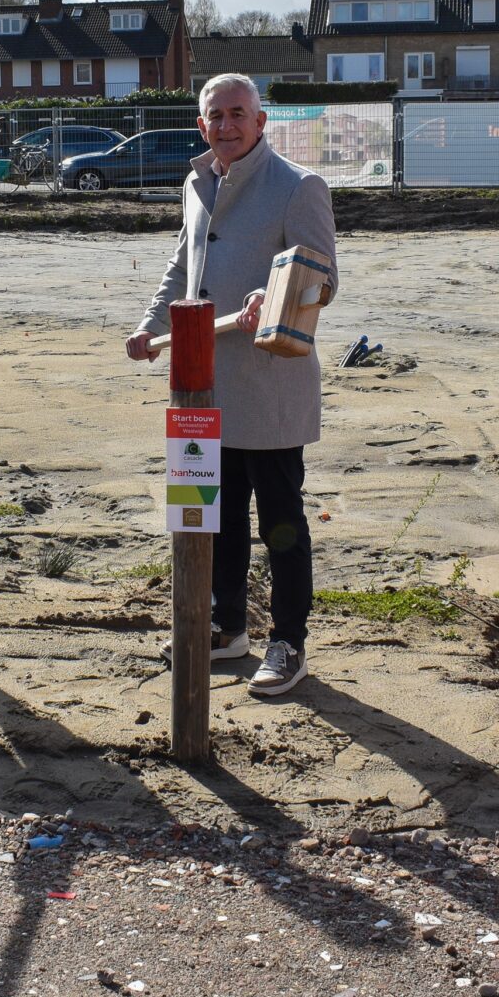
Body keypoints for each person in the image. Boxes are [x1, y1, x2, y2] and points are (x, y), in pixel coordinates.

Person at [126, 73, 338, 698]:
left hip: (269, 389)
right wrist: (148, 326)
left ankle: (288, 641)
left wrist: (273, 293)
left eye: (238, 114)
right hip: (202, 389)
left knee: (279, 521)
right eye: (215, 116)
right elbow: (181, 268)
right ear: (202, 125)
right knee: (211, 518)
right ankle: (227, 626)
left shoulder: (298, 186)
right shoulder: (199, 183)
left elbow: (323, 279)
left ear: (261, 120)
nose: (227, 125)